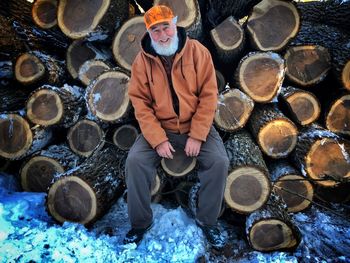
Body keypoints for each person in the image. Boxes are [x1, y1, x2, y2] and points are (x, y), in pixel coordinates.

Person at [124, 5, 229, 250]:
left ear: (175, 24)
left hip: (195, 126)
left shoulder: (198, 52)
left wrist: (197, 134)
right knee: (135, 161)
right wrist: (158, 139)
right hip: (161, 128)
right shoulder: (142, 61)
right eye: (155, 31)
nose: (163, 35)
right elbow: (140, 103)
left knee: (219, 161)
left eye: (165, 27)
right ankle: (140, 223)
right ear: (149, 33)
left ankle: (208, 220)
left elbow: (209, 96)